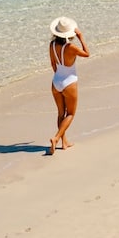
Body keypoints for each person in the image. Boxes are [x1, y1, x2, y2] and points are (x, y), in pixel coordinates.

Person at [48, 16, 90, 154]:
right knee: (70, 114)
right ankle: (56, 138)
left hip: (56, 81)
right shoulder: (70, 47)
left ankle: (64, 142)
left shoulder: (52, 45)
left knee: (61, 113)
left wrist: (59, 77)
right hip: (69, 82)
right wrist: (81, 36)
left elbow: (53, 64)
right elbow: (87, 53)